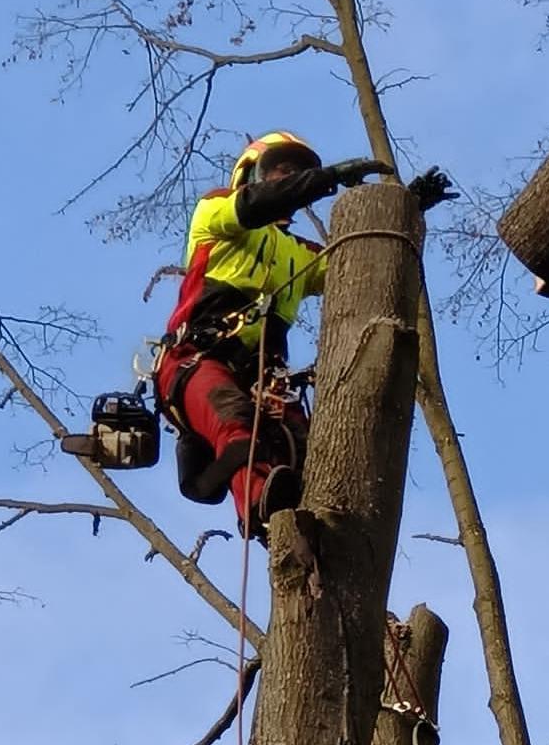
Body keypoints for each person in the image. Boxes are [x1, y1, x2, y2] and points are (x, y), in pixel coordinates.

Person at [154, 131, 453, 541]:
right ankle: (260, 507)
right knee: (236, 421)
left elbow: (359, 256)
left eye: (297, 172)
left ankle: (314, 529)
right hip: (198, 359)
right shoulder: (218, 213)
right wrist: (325, 178)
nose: (289, 178)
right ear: (250, 173)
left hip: (265, 379)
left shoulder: (300, 253)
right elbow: (255, 205)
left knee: (310, 448)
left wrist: (406, 208)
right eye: (281, 169)